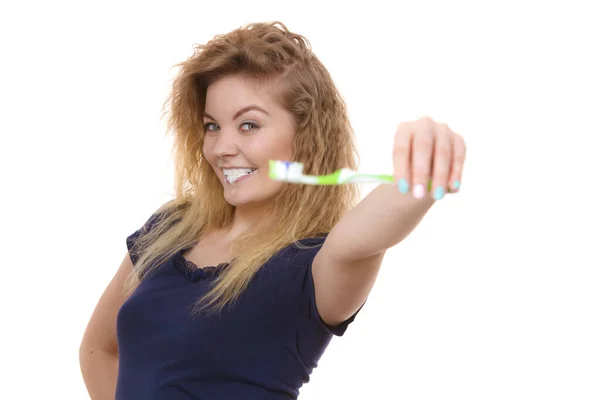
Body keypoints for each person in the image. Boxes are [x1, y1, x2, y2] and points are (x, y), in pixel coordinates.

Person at [79, 21, 466, 400]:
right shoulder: (170, 227)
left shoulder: (310, 268)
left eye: (248, 125)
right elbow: (98, 350)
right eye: (212, 126)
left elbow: (366, 233)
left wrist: (425, 162)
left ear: (306, 136)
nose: (221, 148)